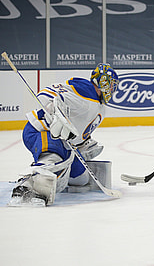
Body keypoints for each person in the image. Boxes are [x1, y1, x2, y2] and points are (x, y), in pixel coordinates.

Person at [8, 63, 119, 206]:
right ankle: (27, 187)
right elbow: (45, 96)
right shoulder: (84, 89)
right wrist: (56, 117)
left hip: (64, 142)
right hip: (43, 131)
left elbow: (78, 131)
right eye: (111, 85)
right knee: (53, 160)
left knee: (81, 179)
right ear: (103, 81)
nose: (112, 90)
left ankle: (51, 172)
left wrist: (83, 144)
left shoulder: (99, 107)